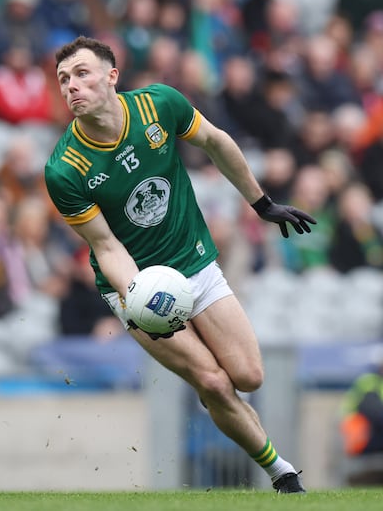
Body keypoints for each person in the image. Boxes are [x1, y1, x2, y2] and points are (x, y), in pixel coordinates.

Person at [44, 36, 316, 493]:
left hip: (194, 262)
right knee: (212, 378)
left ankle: (218, 400)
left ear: (112, 76)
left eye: (83, 73)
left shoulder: (159, 105)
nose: (72, 85)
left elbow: (215, 141)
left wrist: (261, 203)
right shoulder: (65, 169)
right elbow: (106, 246)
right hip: (134, 286)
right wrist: (143, 299)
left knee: (248, 375)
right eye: (64, 79)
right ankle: (281, 472)